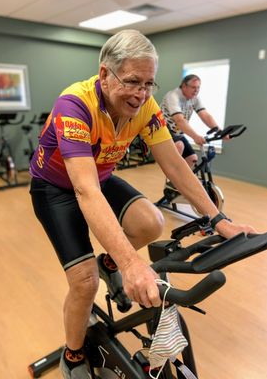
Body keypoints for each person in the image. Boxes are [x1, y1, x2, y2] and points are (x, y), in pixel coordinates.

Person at [29, 29, 255, 379]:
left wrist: (220, 220)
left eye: (149, 84)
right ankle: (72, 357)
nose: (141, 94)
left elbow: (175, 166)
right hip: (55, 188)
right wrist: (131, 264)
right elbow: (85, 191)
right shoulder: (74, 104)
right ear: (105, 74)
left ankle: (108, 262)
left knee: (151, 222)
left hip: (98, 175)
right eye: (133, 81)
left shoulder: (146, 107)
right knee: (85, 282)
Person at [161, 74, 227, 169]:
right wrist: (195, 136)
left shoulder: (194, 98)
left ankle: (180, 182)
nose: (196, 90)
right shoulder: (173, 96)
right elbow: (179, 120)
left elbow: (205, 115)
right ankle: (171, 178)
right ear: (184, 86)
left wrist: (220, 132)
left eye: (198, 88)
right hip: (163, 130)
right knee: (179, 146)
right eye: (193, 87)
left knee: (192, 158)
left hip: (178, 133)